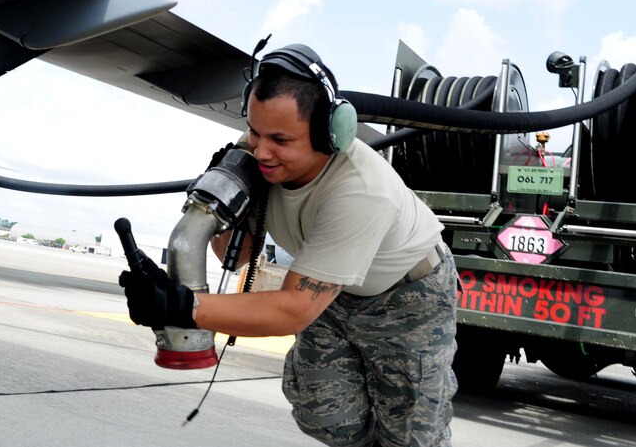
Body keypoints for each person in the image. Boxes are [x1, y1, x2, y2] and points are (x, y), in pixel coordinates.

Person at [120, 43, 458, 447]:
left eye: (280, 139)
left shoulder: (361, 190)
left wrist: (186, 308)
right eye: (254, 131)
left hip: (407, 296)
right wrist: (219, 212)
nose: (261, 151)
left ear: (329, 134)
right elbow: (239, 255)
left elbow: (293, 309)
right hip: (333, 291)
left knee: (410, 436)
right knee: (324, 416)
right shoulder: (258, 159)